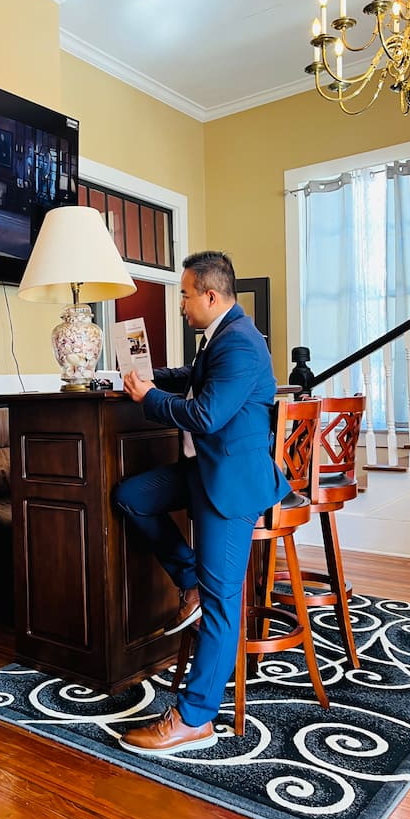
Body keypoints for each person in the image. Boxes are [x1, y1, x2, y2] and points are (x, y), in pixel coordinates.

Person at [113, 250, 290, 756]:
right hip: (201, 471)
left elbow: (206, 415)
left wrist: (148, 398)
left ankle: (195, 718)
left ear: (211, 296)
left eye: (186, 296)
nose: (182, 305)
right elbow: (193, 377)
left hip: (229, 484)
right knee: (131, 497)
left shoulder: (241, 343)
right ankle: (189, 578)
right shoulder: (220, 335)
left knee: (221, 603)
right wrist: (145, 377)